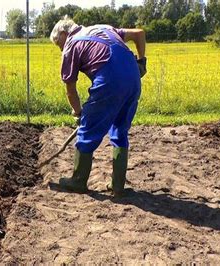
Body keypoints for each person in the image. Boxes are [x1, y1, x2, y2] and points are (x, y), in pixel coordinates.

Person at [50, 17, 147, 197]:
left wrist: (79, 114)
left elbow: (70, 91)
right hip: (133, 79)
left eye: (59, 44)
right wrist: (141, 62)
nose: (61, 49)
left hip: (109, 80)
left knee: (87, 129)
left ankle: (78, 181)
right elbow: (139, 33)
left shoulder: (71, 44)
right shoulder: (104, 27)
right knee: (120, 130)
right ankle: (118, 186)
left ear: (64, 33)